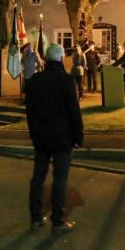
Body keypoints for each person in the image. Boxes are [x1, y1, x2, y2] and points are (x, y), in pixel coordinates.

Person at [24, 44, 83, 235]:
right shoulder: (66, 81)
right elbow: (74, 113)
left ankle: (35, 219)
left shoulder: (34, 81)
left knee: (38, 178)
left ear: (46, 59)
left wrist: (33, 133)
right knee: (60, 179)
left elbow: (30, 112)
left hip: (41, 137)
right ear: (60, 58)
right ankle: (57, 221)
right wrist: (78, 136)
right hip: (62, 139)